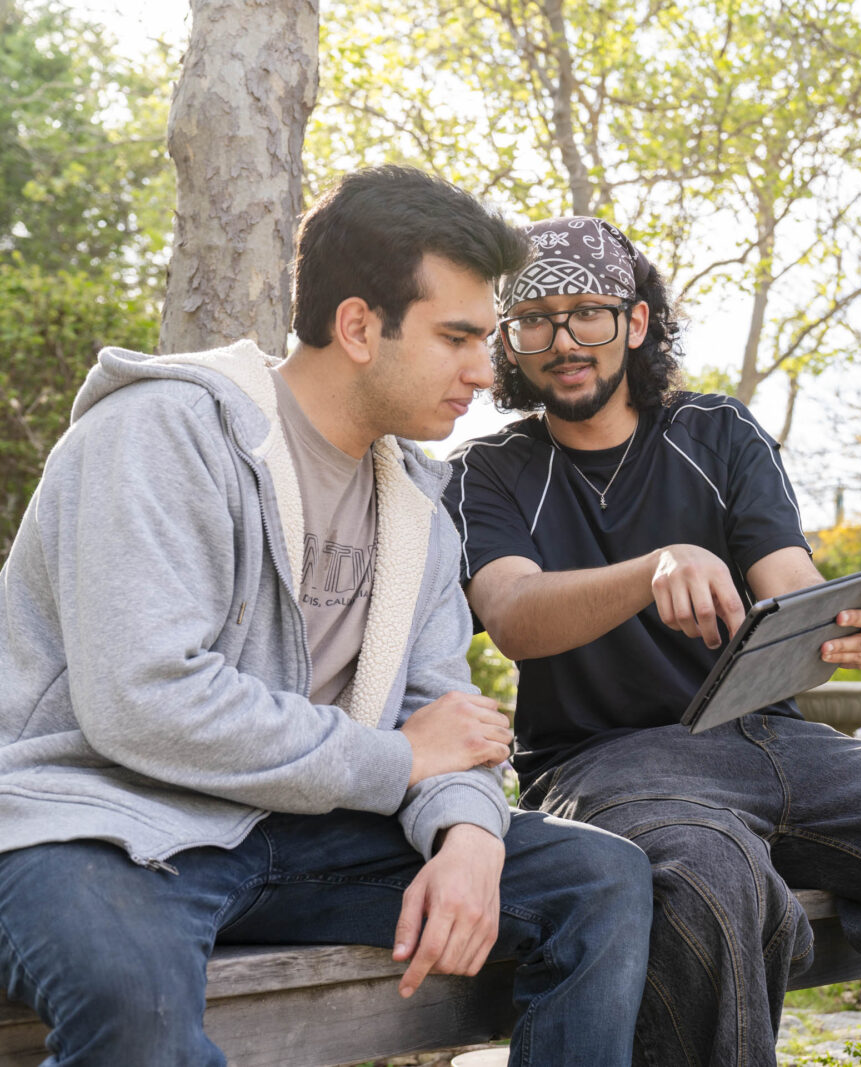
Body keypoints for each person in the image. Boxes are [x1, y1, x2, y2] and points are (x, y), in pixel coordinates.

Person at [0, 169, 652, 1066]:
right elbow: (142, 697)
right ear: (357, 326)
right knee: (137, 1007)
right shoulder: (162, 434)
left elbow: (446, 721)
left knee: (602, 878)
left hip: (297, 832)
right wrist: (396, 758)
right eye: (457, 337)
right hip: (102, 824)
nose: (486, 368)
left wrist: (468, 833)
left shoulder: (419, 504)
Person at [446, 215, 861, 1066]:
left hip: (775, 738)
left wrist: (850, 624)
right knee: (712, 884)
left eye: (588, 312)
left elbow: (790, 587)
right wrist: (651, 568)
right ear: (511, 343)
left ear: (634, 323)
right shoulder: (487, 472)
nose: (564, 340)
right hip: (606, 763)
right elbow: (514, 612)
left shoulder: (718, 432)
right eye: (536, 320)